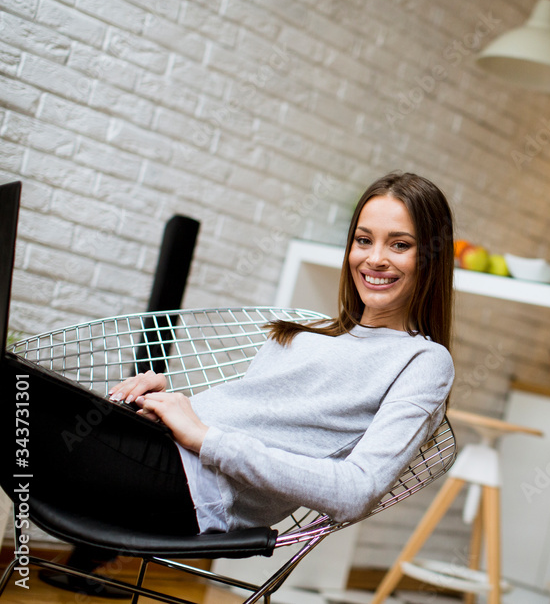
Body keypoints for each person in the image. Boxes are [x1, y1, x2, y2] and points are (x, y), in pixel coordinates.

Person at [33, 172, 456, 593]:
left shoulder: (422, 361)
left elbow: (355, 491)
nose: (374, 258)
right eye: (363, 240)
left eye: (399, 244)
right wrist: (172, 401)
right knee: (20, 390)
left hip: (192, 490)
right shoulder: (309, 330)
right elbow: (247, 416)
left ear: (431, 258)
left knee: (15, 395)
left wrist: (204, 438)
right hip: (159, 450)